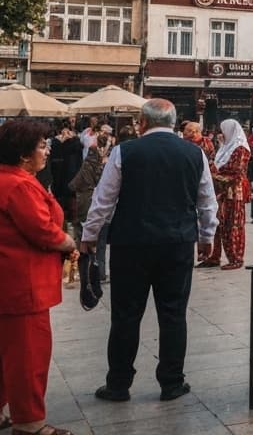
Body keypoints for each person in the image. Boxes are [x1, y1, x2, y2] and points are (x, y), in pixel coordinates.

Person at [81, 98, 218, 403]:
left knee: (126, 315)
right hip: (178, 242)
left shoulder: (124, 151)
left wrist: (90, 234)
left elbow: (104, 199)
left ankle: (118, 383)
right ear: (173, 123)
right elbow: (206, 200)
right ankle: (171, 382)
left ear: (142, 123)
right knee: (173, 313)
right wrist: (207, 235)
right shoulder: (194, 153)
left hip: (132, 242)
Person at [0, 119, 78, 435]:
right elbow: (43, 230)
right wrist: (69, 242)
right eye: (42, 146)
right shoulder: (20, 185)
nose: (46, 151)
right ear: (24, 154)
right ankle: (29, 422)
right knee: (27, 355)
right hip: (20, 283)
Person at [198, 120, 249, 270]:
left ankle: (236, 257)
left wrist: (213, 173)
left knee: (232, 223)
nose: (222, 134)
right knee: (218, 224)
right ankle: (215, 256)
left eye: (223, 131)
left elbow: (235, 171)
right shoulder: (226, 148)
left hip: (233, 192)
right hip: (220, 191)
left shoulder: (241, 149)